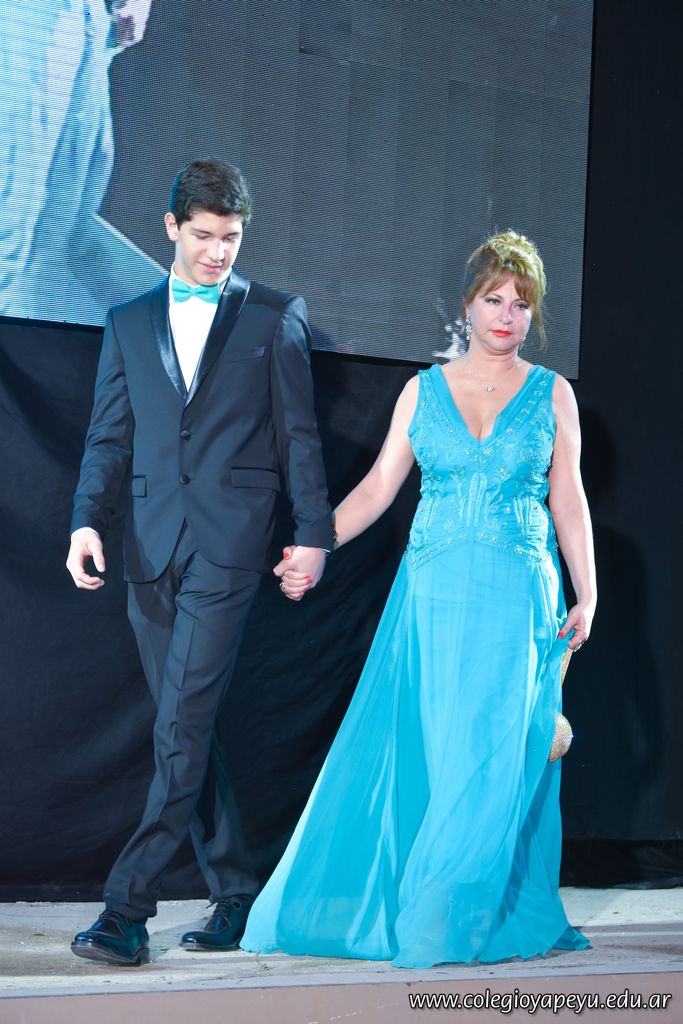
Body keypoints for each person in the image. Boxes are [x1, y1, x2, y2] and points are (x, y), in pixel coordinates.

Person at [241, 230, 596, 968]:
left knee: (492, 754)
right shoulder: (421, 391)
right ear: (467, 305)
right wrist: (314, 545)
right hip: (433, 598)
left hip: (518, 599)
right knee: (437, 750)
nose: (506, 316)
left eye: (521, 304)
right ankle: (436, 904)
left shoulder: (552, 393)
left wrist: (587, 595)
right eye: (494, 300)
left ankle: (447, 911)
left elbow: (568, 501)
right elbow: (377, 489)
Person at [66, 158, 333, 966]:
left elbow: (298, 437)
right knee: (186, 727)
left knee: (180, 724)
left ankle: (126, 909)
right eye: (205, 236)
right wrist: (85, 522)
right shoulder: (127, 321)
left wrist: (312, 533)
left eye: (232, 238)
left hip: (229, 546)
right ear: (171, 228)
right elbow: (108, 438)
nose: (218, 252)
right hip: (148, 549)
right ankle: (236, 890)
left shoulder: (275, 317)